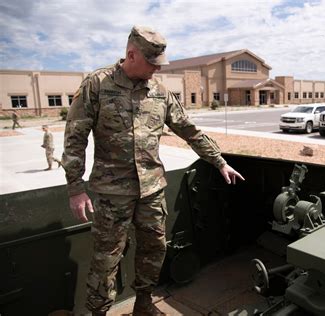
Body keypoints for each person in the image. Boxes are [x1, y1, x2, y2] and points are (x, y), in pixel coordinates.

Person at [62, 25, 245, 316]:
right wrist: (75, 187)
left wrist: (218, 161)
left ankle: (144, 304)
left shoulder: (160, 92)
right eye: (152, 63)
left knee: (154, 250)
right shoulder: (96, 85)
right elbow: (75, 137)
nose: (156, 70)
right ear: (131, 54)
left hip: (151, 191)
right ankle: (98, 312)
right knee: (105, 259)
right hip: (112, 195)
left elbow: (189, 129)